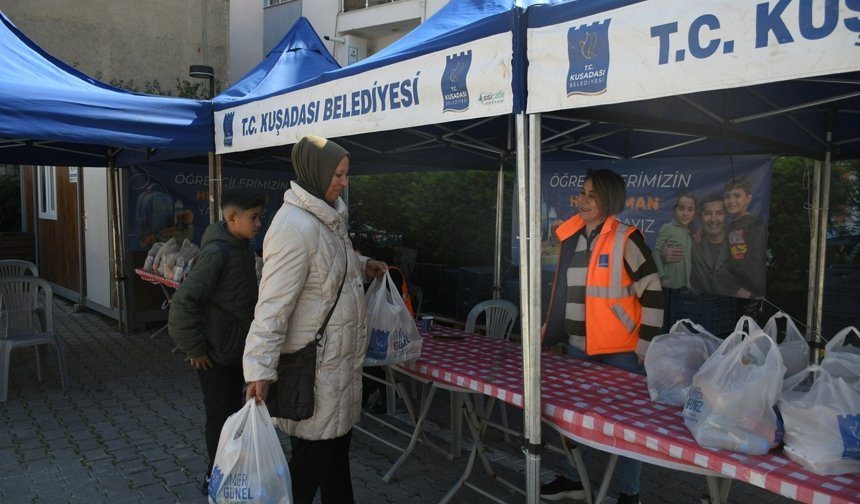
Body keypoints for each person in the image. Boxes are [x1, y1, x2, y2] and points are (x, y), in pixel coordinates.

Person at [243, 135, 387, 504]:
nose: (343, 182)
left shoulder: (327, 218)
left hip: (335, 372)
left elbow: (327, 266)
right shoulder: (294, 227)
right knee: (308, 472)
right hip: (315, 375)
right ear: (315, 171)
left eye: (345, 174)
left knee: (336, 462)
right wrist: (258, 370)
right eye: (337, 174)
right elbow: (271, 307)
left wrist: (361, 264)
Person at [540, 169, 664, 504]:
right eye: (582, 192)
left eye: (591, 194)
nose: (582, 200)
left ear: (608, 199)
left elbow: (652, 291)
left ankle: (629, 493)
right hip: (579, 349)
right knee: (573, 419)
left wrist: (647, 343)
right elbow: (563, 293)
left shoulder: (626, 238)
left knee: (627, 426)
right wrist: (549, 329)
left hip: (622, 352)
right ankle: (573, 480)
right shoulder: (574, 237)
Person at [167, 186, 265, 494]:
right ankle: (215, 477)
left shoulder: (242, 248)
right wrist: (195, 348)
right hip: (217, 356)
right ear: (232, 218)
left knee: (238, 417)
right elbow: (183, 302)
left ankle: (237, 473)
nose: (259, 224)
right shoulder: (216, 253)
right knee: (221, 419)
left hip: (237, 351)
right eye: (254, 218)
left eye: (260, 217)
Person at [724, 176, 768, 312]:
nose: (731, 201)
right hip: (733, 291)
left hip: (749, 293)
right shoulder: (731, 226)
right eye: (727, 196)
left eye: (737, 196)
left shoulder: (754, 224)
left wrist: (749, 289)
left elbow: (758, 258)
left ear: (748, 199)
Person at [689, 194, 735, 296]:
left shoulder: (739, 243)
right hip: (697, 305)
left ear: (727, 215)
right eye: (707, 213)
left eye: (719, 213)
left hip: (730, 307)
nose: (713, 219)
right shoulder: (690, 242)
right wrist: (665, 253)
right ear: (700, 216)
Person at [654, 192, 696, 289]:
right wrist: (662, 275)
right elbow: (656, 252)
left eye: (690, 209)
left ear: (694, 213)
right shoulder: (668, 228)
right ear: (675, 210)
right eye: (681, 208)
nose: (685, 213)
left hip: (686, 285)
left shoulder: (691, 232)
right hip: (670, 284)